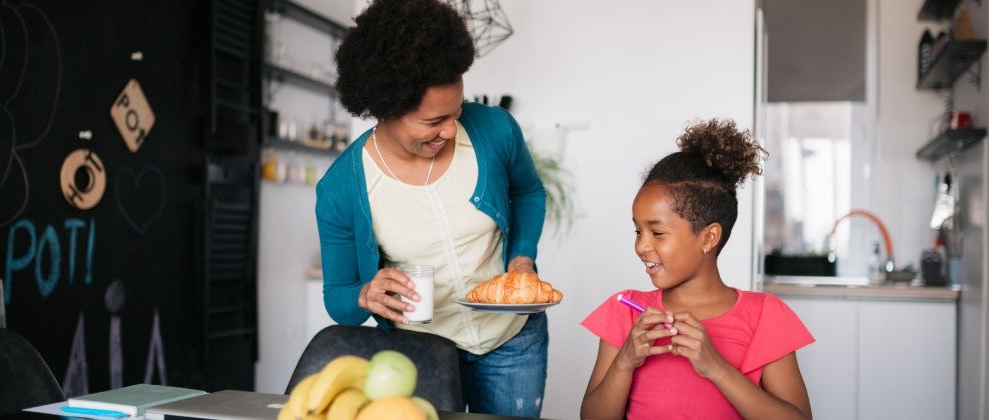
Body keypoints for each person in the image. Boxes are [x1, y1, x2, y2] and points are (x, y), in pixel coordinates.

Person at [314, 0, 548, 416]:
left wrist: (522, 257)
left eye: (456, 112)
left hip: (512, 339)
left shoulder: (494, 130)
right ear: (387, 108)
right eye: (433, 121)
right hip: (421, 351)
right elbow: (338, 297)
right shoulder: (340, 188)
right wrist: (366, 294)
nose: (451, 129)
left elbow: (528, 192)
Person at [579, 119, 814, 419]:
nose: (641, 246)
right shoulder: (625, 311)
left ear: (708, 237)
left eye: (657, 233)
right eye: (638, 231)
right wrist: (624, 361)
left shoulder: (765, 315)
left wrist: (716, 367)